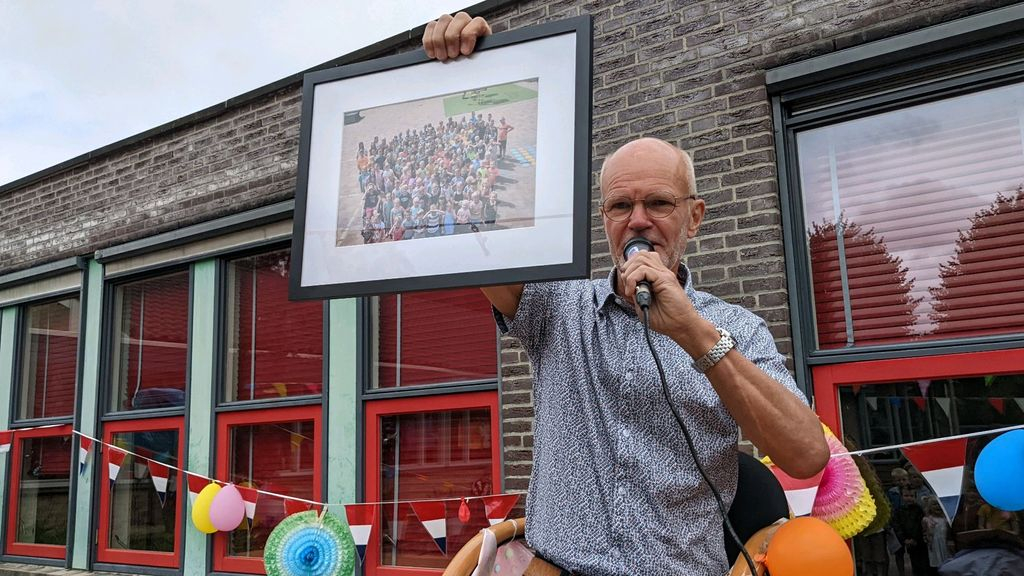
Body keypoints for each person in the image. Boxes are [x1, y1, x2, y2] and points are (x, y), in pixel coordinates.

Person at [422, 13, 829, 576]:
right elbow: (481, 238)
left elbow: (807, 455)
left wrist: (694, 333)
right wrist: (470, 79)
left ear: (695, 216)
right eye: (620, 207)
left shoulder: (738, 329)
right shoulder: (558, 307)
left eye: (659, 204)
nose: (638, 221)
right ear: (605, 220)